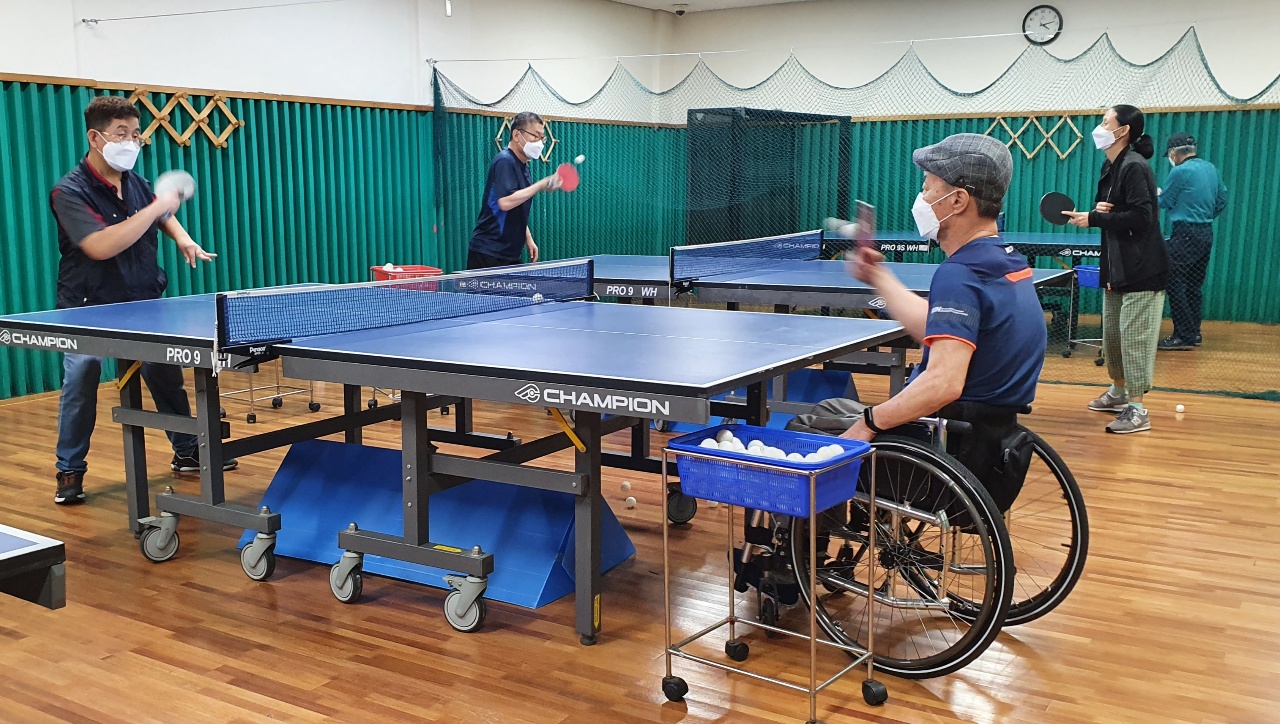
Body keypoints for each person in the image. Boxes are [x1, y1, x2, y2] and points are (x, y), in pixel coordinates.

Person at [828, 134, 1046, 511]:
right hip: (988, 449)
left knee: (812, 425)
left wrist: (868, 423)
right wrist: (877, 276)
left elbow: (943, 382)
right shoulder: (1006, 264)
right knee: (836, 410)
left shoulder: (960, 274)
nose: (922, 198)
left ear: (958, 200)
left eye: (928, 188)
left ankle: (796, 547)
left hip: (939, 450)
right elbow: (938, 328)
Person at [50, 95, 232, 506]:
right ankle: (70, 468)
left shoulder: (136, 182)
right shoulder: (69, 191)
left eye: (135, 134)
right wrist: (157, 209)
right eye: (122, 133)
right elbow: (100, 245)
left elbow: (160, 213)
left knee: (164, 368)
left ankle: (188, 449)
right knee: (82, 375)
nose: (131, 142)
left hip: (142, 297)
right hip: (89, 306)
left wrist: (183, 237)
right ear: (95, 137)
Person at [1063, 105, 1167, 434]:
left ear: (1123, 132)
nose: (1100, 127)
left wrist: (1094, 217)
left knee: (1134, 340)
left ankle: (1137, 410)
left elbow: (1142, 217)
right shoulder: (1111, 165)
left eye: (1106, 122)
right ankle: (1119, 392)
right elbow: (1113, 209)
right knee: (1113, 338)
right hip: (1116, 267)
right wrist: (1100, 211)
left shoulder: (1134, 166)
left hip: (1142, 268)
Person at [1157, 132, 1228, 351]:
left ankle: (1183, 336)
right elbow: (1222, 200)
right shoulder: (1211, 168)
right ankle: (1194, 332)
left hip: (1185, 233)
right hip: (1205, 232)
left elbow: (1164, 201)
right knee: (1194, 285)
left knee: (1175, 282)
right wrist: (1203, 215)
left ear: (1173, 152)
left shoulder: (1180, 171)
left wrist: (1155, 194)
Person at [466, 111, 561, 270]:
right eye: (535, 136)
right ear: (517, 135)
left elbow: (518, 205)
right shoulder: (505, 160)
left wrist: (528, 238)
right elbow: (505, 202)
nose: (540, 143)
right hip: (489, 253)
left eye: (542, 137)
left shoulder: (523, 165)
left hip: (509, 253)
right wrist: (540, 185)